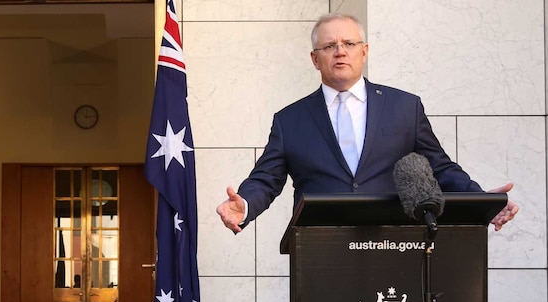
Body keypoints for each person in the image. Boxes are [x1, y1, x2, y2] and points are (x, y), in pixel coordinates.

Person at [216, 13, 518, 233]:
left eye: (349, 43)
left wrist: (482, 202)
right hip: (320, 248)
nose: (340, 51)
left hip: (393, 241)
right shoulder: (290, 120)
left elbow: (440, 167)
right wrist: (244, 204)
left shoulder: (404, 107)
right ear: (314, 58)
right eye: (329, 46)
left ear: (365, 51)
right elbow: (265, 180)